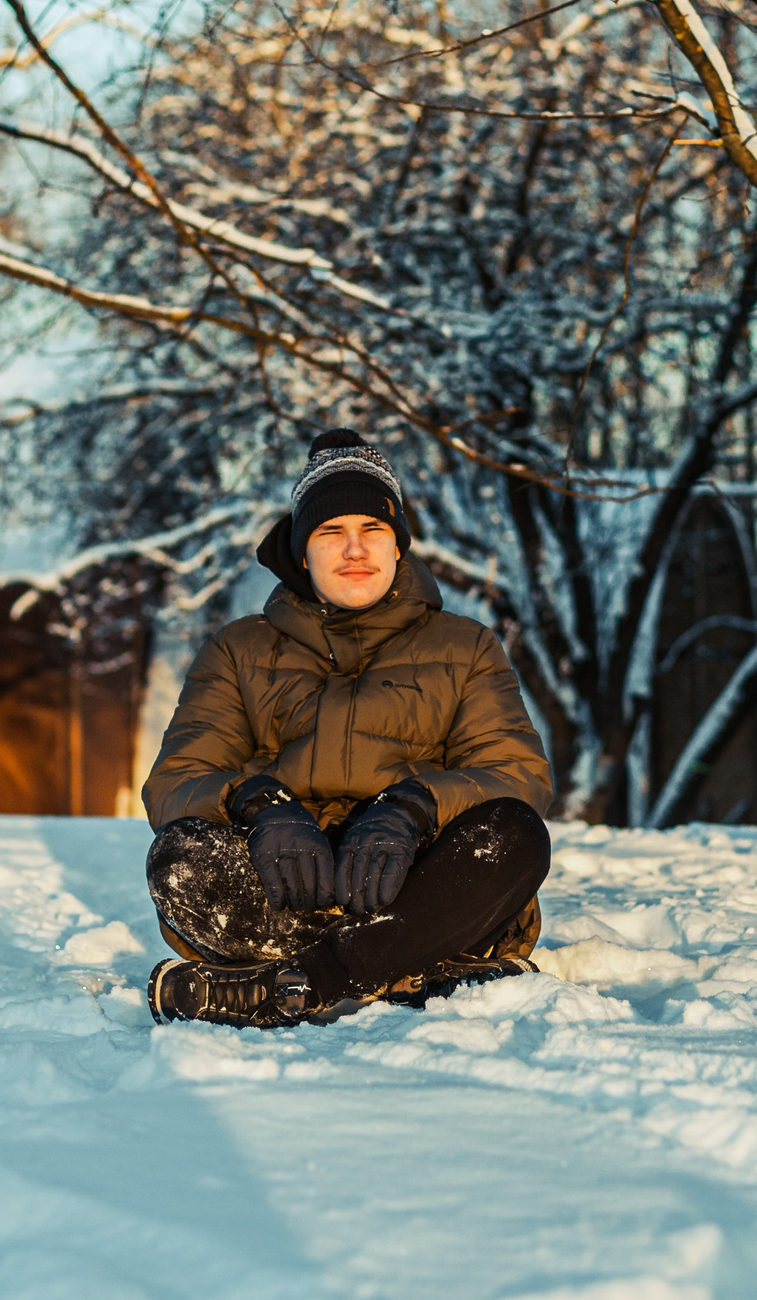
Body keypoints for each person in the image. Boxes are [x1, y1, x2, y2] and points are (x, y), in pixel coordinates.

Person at [143, 429, 555, 1028]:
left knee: (514, 833)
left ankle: (299, 983)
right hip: (288, 887)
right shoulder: (238, 649)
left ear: (398, 548)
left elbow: (519, 775)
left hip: (416, 885)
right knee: (178, 856)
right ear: (301, 551)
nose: (355, 550)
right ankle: (413, 972)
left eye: (374, 531)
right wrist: (259, 805)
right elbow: (176, 781)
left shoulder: (466, 647)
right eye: (331, 532)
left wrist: (415, 808)